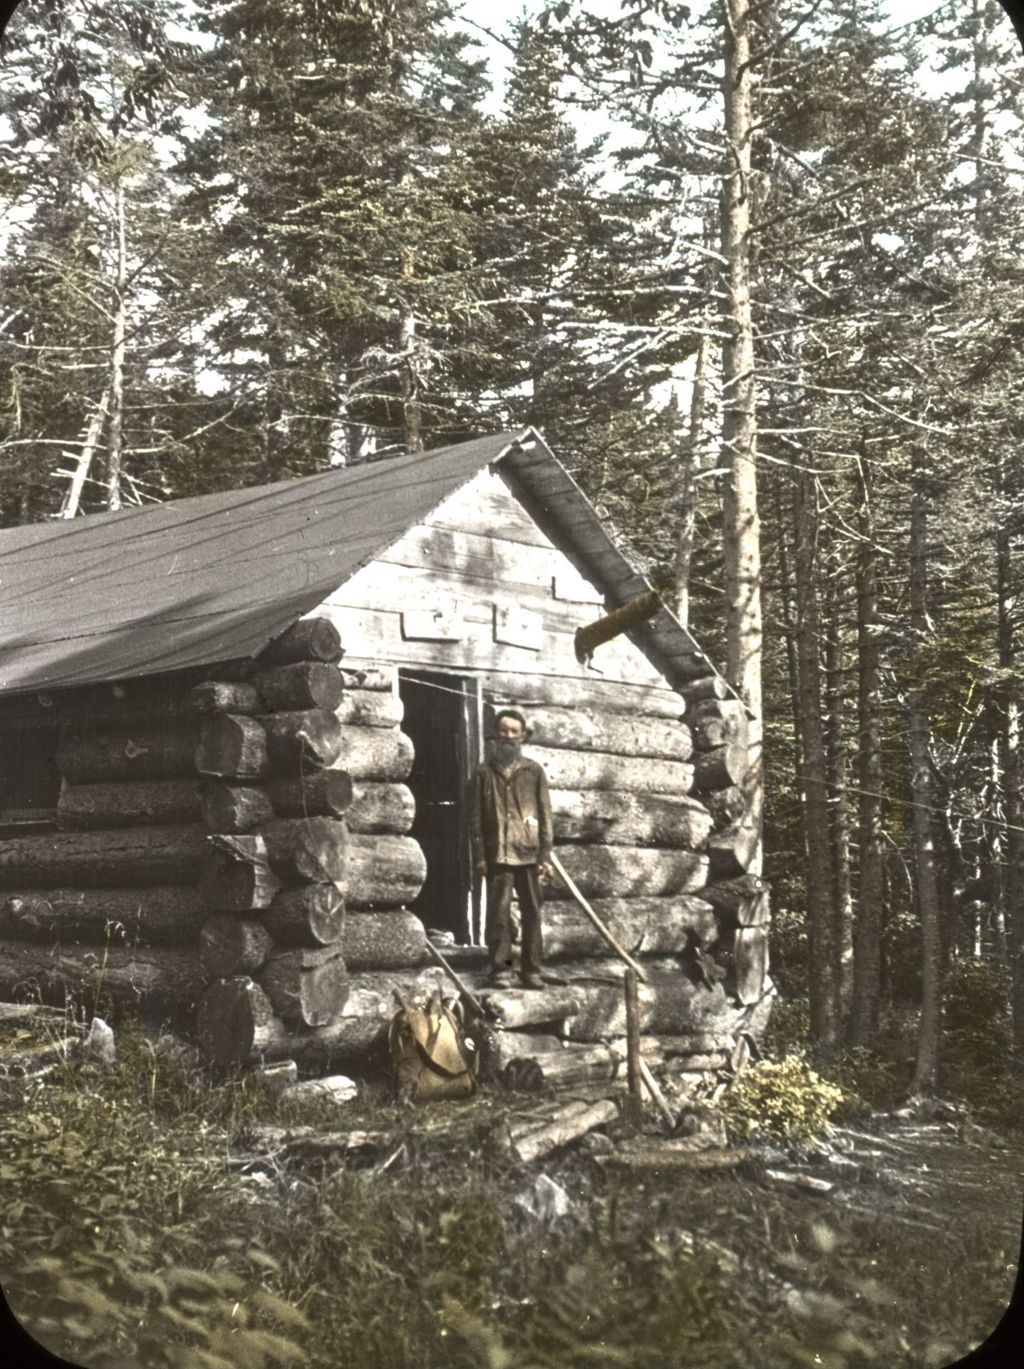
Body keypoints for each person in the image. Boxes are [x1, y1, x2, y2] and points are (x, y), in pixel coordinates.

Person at [469, 708, 554, 989]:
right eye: (503, 731)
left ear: (522, 736)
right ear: (495, 735)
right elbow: (474, 818)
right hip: (498, 856)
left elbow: (545, 815)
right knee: (498, 916)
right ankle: (501, 970)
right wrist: (480, 855)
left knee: (532, 913)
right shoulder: (482, 773)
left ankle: (532, 971)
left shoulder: (533, 772)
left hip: (528, 853)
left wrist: (545, 855)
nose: (508, 737)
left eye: (514, 732)